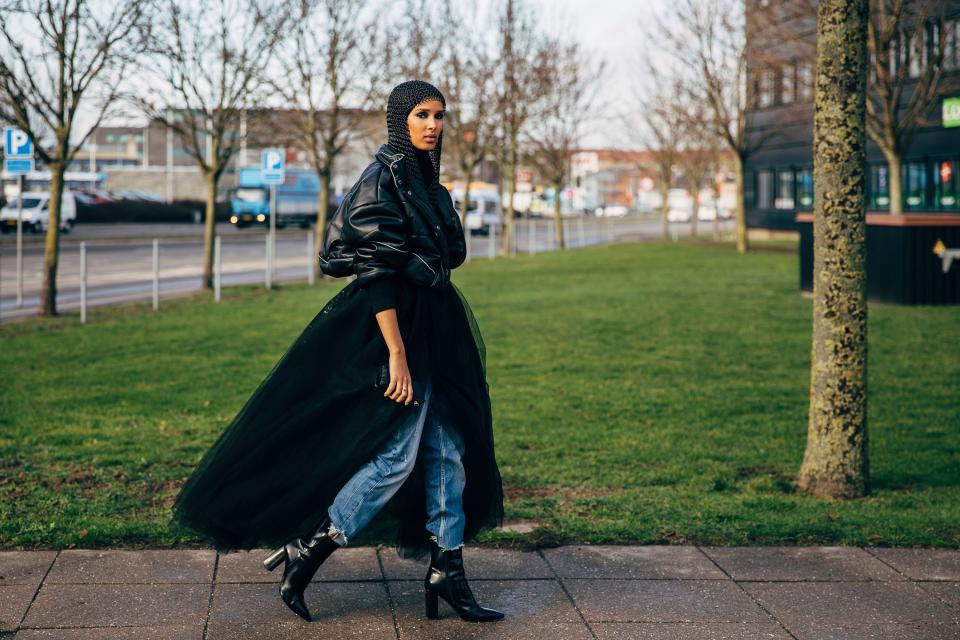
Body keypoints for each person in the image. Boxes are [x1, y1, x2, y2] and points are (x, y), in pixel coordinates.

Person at [169, 80, 506, 624]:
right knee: (396, 457)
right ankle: (312, 546)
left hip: (439, 330)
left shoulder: (430, 184)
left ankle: (448, 571)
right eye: (421, 114)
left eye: (439, 115)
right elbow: (376, 275)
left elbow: (445, 256)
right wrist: (397, 353)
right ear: (400, 120)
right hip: (397, 331)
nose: (433, 124)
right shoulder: (379, 182)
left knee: (449, 451)